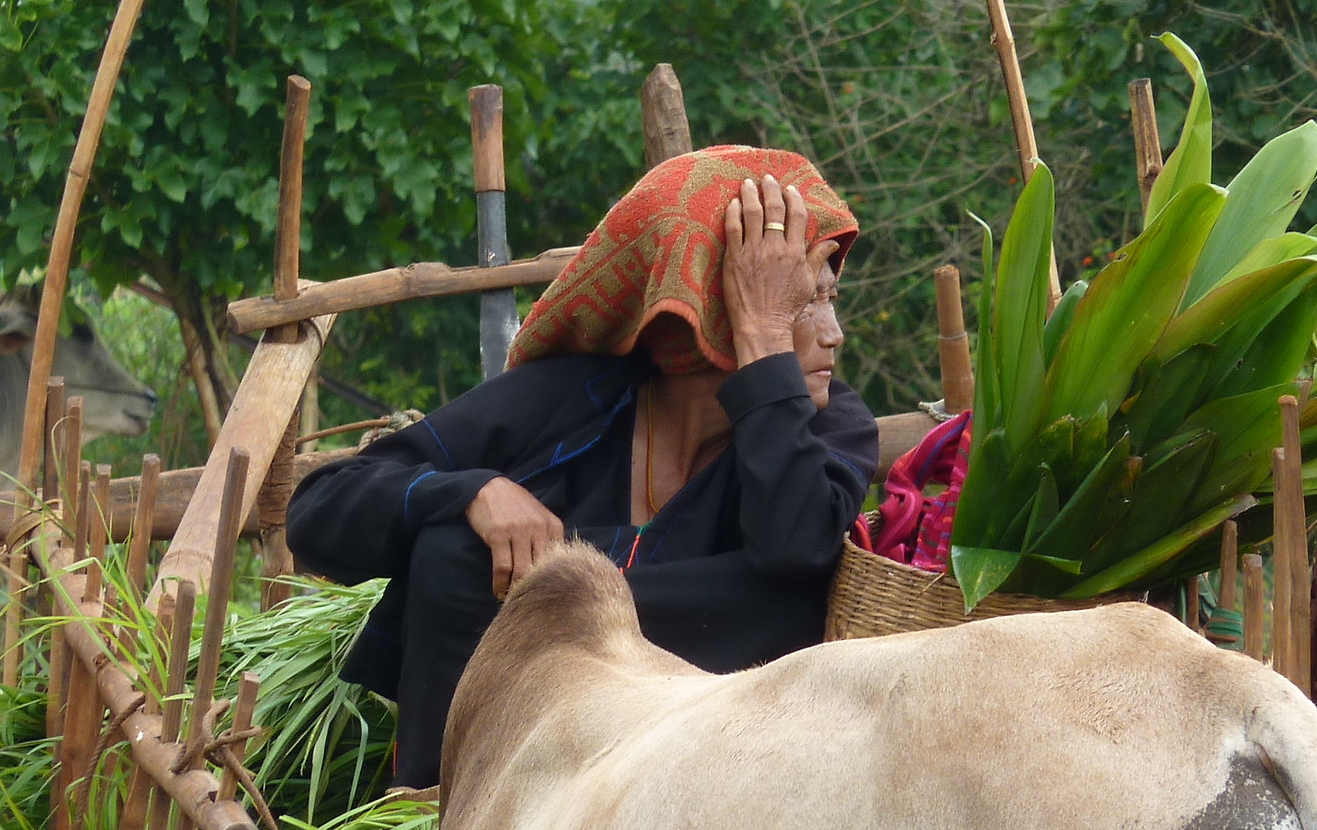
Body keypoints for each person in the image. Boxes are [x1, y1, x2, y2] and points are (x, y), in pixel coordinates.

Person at [285, 145, 879, 788]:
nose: (833, 332)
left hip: (705, 793)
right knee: (454, 550)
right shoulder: (574, 399)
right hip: (497, 805)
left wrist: (764, 335)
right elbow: (319, 510)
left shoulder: (828, 426)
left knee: (793, 589)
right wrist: (475, 491)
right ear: (711, 308)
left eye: (829, 298)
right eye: (804, 301)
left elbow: (794, 546)